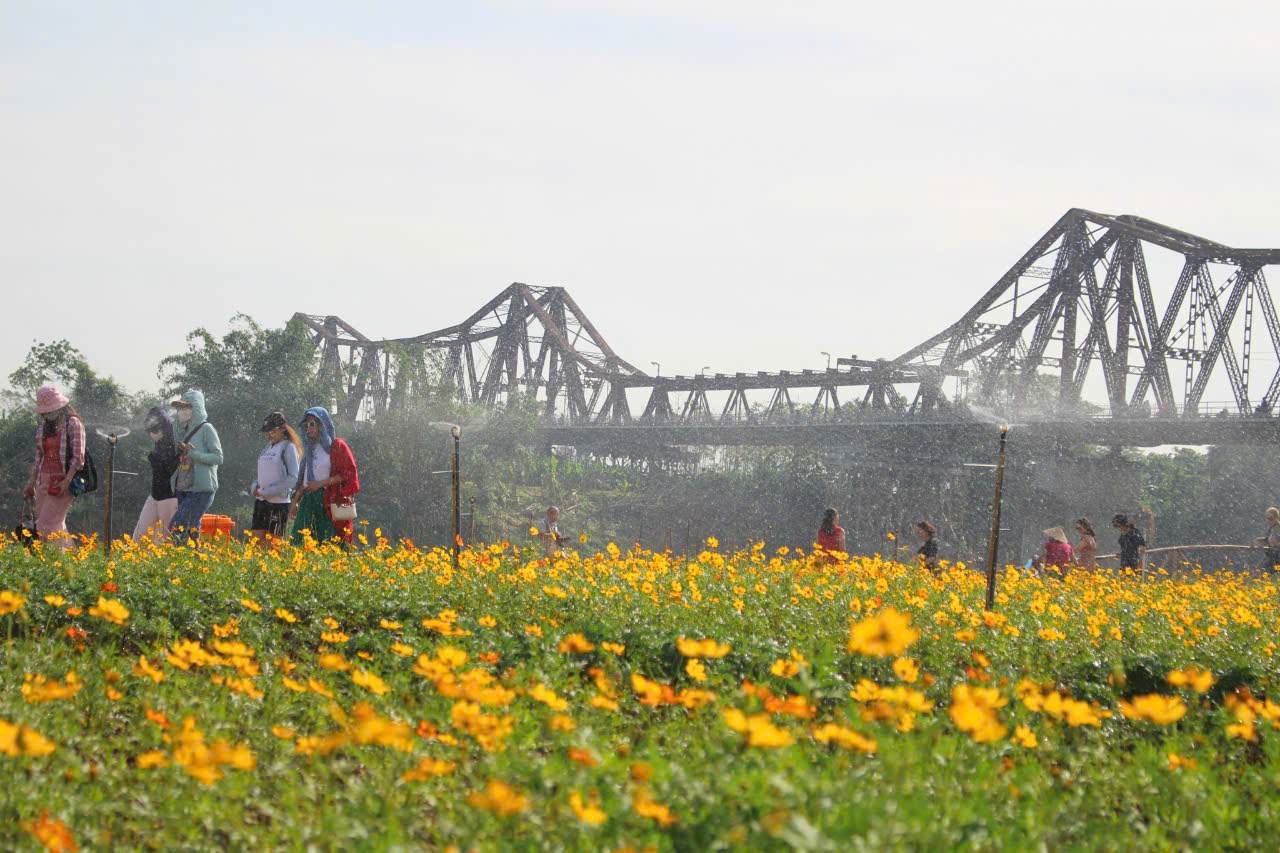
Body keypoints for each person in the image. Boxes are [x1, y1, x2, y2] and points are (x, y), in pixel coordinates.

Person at [21, 384, 85, 546]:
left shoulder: (73, 424)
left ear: (61, 406)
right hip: (43, 481)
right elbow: (39, 457)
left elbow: (78, 458)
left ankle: (57, 561)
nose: (48, 415)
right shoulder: (43, 428)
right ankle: (70, 560)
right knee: (53, 524)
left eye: (50, 410)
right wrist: (31, 483)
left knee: (46, 524)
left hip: (62, 481)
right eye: (45, 412)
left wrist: (67, 481)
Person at [290, 407, 359, 545]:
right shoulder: (310, 449)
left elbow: (348, 474)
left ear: (322, 424)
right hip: (308, 501)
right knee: (300, 542)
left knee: (328, 542)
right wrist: (295, 500)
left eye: (312, 424)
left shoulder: (337, 446)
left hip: (327, 501)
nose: (308, 428)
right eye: (306, 425)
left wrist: (320, 483)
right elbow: (304, 480)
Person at [167, 389, 224, 543]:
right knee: (191, 530)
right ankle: (194, 560)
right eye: (180, 408)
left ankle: (175, 558)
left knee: (176, 526)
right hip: (183, 488)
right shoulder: (183, 430)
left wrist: (194, 454)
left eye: (186, 408)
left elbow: (218, 457)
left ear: (196, 408)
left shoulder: (207, 428)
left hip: (201, 490)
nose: (182, 412)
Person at [248, 412, 301, 540]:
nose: (269, 435)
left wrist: (269, 491)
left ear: (282, 429)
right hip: (261, 501)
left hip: (279, 503)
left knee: (274, 544)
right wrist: (255, 486)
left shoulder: (288, 447)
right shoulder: (267, 447)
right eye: (267, 432)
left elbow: (293, 478)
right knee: (256, 542)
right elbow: (262, 473)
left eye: (272, 432)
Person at [132, 407, 179, 542]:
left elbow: (172, 470)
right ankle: (136, 559)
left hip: (170, 496)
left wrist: (155, 459)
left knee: (164, 538)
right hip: (155, 494)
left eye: (154, 430)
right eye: (149, 431)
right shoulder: (159, 443)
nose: (151, 434)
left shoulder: (174, 442)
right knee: (141, 533)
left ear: (163, 427)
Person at [1253, 507, 1280, 573]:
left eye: (1270, 518)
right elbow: (1268, 540)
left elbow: (1274, 541)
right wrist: (1258, 541)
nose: (1268, 520)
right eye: (1267, 518)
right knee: (1264, 574)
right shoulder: (1272, 528)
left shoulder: (1277, 528)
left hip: (1277, 556)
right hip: (1273, 555)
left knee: (1264, 575)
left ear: (1276, 517)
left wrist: (1273, 543)